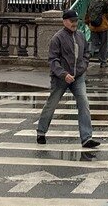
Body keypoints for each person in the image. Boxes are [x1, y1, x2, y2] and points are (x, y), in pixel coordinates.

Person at [37, 9, 99, 148]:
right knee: (52, 104)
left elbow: (86, 54)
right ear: (64, 21)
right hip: (61, 78)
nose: (74, 24)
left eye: (76, 21)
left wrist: (82, 68)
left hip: (78, 77)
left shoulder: (81, 36)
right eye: (72, 21)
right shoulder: (57, 38)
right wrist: (64, 74)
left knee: (84, 103)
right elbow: (53, 60)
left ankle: (86, 137)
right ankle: (41, 131)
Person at [86, 0, 108, 67]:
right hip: (103, 26)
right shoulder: (106, 1)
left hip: (93, 26)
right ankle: (103, 62)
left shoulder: (92, 0)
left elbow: (87, 13)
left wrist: (88, 23)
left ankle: (88, 55)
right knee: (103, 44)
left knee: (93, 43)